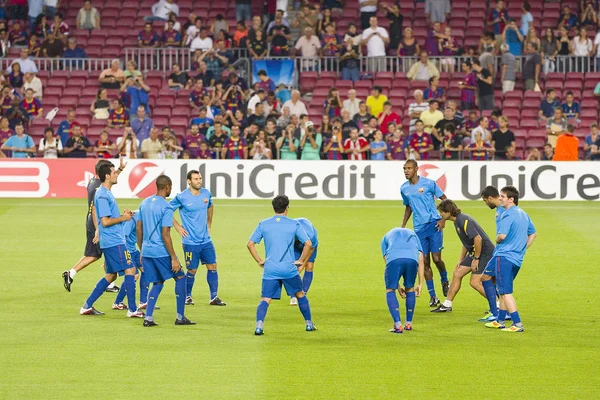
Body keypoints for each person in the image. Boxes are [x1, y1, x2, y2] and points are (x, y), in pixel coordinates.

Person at [79, 162, 143, 318]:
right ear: (107, 176)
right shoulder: (102, 195)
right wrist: (123, 218)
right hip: (114, 240)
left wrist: (124, 216)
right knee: (131, 270)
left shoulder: (105, 192)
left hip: (112, 239)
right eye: (114, 172)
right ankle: (133, 309)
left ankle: (87, 306)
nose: (116, 174)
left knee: (111, 275)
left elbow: (104, 217)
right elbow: (106, 221)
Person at [247, 195, 316, 335]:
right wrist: (301, 260)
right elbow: (308, 244)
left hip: (270, 268)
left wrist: (259, 260)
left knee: (265, 299)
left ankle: (259, 327)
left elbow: (250, 244)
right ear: (287, 208)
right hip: (289, 269)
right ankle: (309, 324)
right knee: (300, 295)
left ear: (274, 208)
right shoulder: (294, 224)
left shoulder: (263, 224)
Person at [138, 175, 195, 327]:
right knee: (181, 278)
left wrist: (142, 249)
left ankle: (148, 318)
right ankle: (180, 316)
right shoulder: (167, 207)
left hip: (147, 251)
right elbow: (165, 234)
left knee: (157, 282)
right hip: (160, 251)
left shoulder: (144, 203)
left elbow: (139, 228)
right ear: (167, 187)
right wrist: (174, 258)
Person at [62, 159, 125, 292]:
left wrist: (120, 169)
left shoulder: (92, 182)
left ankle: (109, 281)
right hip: (96, 222)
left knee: (104, 251)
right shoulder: (99, 189)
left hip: (91, 220)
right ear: (105, 174)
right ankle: (71, 273)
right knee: (94, 254)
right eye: (112, 171)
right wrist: (98, 229)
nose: (114, 174)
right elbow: (95, 209)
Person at [483, 186, 536, 332]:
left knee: (505, 292)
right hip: (516, 258)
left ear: (511, 199)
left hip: (504, 256)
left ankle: (517, 324)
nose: (499, 198)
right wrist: (523, 248)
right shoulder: (524, 214)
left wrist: (497, 239)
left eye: (502, 196)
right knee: (500, 287)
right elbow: (533, 234)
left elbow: (502, 236)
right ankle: (500, 320)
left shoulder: (507, 215)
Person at [170, 170, 226, 307]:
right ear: (189, 181)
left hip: (206, 240)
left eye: (200, 178)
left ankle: (214, 297)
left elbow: (210, 205)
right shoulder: (181, 197)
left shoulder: (206, 194)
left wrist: (209, 223)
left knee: (212, 266)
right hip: (190, 241)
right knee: (192, 270)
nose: (199, 181)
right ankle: (187, 296)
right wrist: (177, 227)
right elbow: (166, 210)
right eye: (196, 179)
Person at [432, 200, 495, 313]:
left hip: (485, 252)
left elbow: (478, 239)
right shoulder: (457, 221)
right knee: (457, 273)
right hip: (475, 252)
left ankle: (498, 305)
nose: (440, 214)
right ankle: (447, 304)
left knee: (475, 282)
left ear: (449, 212)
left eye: (441, 212)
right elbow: (466, 242)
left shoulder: (464, 220)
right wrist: (461, 260)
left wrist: (476, 259)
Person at [401, 159, 449, 308]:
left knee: (436, 259)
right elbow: (408, 207)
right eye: (404, 169)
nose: (406, 171)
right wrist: (403, 225)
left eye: (409, 168)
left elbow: (445, 200)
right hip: (419, 229)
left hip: (434, 225)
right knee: (425, 262)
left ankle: (444, 279)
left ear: (416, 169)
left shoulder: (429, 183)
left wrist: (443, 219)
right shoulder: (404, 188)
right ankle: (433, 296)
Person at [381, 226, 424, 333]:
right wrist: (420, 283)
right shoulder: (414, 235)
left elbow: (387, 262)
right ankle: (408, 323)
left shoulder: (385, 237)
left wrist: (397, 285)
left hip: (394, 260)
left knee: (390, 290)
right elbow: (421, 259)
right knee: (410, 288)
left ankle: (398, 325)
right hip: (412, 260)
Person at [288, 217, 318, 306]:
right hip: (294, 245)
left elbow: (311, 249)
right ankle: (293, 296)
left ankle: (303, 294)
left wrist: (303, 263)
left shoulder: (311, 236)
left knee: (309, 266)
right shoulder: (290, 233)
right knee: (294, 267)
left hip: (310, 246)